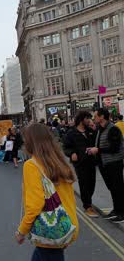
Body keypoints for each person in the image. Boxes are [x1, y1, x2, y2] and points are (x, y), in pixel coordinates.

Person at [16, 123, 78, 261]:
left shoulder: (31, 165)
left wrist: (21, 231)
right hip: (66, 225)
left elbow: (35, 205)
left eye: (25, 140)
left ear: (30, 142)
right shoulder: (58, 161)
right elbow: (69, 198)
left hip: (50, 231)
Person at [87, 108, 124, 223]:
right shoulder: (100, 129)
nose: (94, 118)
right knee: (112, 188)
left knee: (118, 188)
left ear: (102, 116)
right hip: (105, 164)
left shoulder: (113, 129)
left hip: (114, 163)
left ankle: (122, 213)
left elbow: (115, 148)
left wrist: (98, 150)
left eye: (96, 116)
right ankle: (116, 210)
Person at [63, 111, 99, 218]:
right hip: (80, 163)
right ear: (81, 119)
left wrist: (95, 129)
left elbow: (97, 143)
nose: (89, 120)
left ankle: (88, 202)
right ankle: (87, 206)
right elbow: (65, 147)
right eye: (87, 118)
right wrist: (71, 153)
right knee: (84, 184)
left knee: (92, 184)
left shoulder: (90, 131)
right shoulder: (71, 133)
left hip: (91, 162)